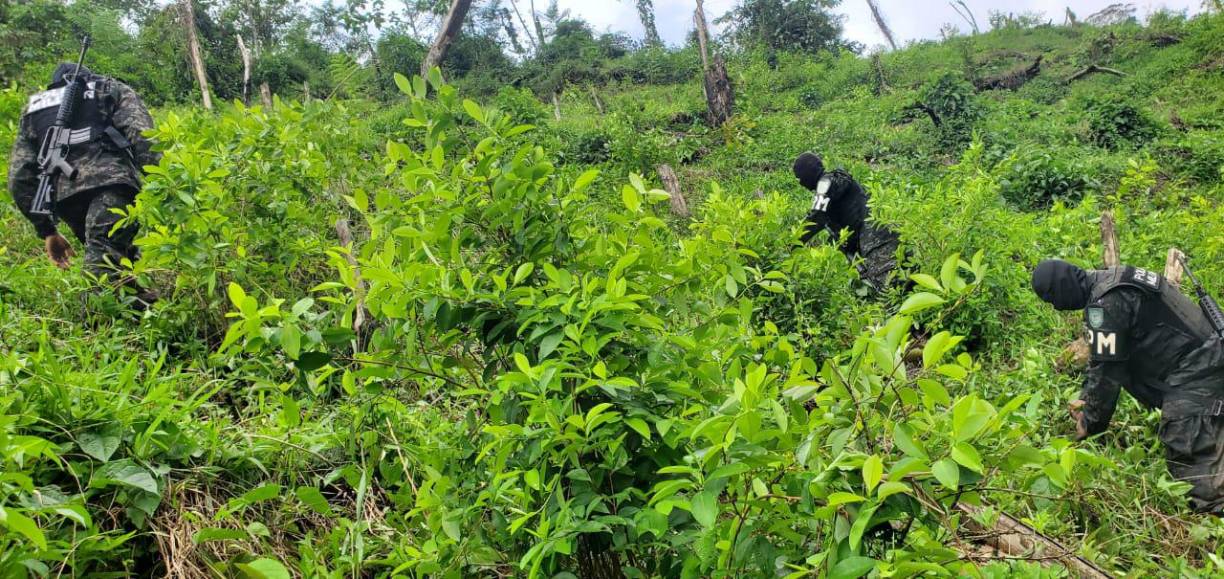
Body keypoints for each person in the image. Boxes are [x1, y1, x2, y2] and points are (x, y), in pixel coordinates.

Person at [1032, 259, 1224, 513]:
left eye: (1053, 298)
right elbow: (1101, 358)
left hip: (1198, 365)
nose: (1057, 306)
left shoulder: (1105, 304)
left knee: (1187, 444)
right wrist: (1085, 398)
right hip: (1206, 351)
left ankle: (1213, 521)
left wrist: (1088, 423)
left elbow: (1108, 373)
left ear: (1063, 287)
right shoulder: (1111, 280)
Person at [7, 62, 160, 303]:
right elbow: (144, 138)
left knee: (116, 257)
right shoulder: (109, 88)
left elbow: (19, 177)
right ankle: (96, 323)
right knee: (103, 260)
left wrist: (46, 230)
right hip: (113, 185)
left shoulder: (33, 108)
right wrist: (167, 186)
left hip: (68, 199)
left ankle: (142, 311)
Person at [793, 152, 900, 292]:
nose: (800, 183)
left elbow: (816, 216)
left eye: (799, 178)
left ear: (808, 173)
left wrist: (792, 243)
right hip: (885, 233)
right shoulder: (835, 184)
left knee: (890, 291)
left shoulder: (825, 183)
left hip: (877, 240)